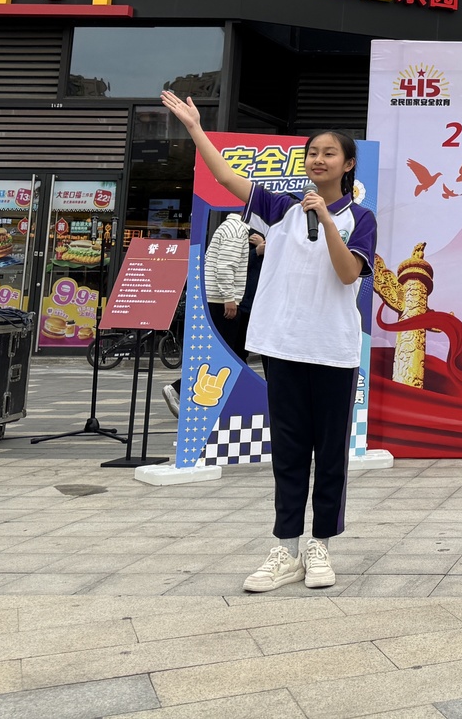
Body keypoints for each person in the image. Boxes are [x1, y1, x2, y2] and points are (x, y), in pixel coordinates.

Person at [161, 90, 376, 592]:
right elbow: (224, 177)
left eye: (329, 153)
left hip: (333, 350)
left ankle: (321, 544)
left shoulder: (359, 218)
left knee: (330, 452)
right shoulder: (279, 207)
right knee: (289, 450)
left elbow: (348, 274)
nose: (318, 159)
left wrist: (326, 220)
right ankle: (285, 547)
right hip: (282, 346)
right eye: (312, 152)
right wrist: (196, 129)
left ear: (347, 165)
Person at [163, 211, 255, 419]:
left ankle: (234, 401)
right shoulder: (236, 230)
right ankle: (178, 389)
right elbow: (225, 267)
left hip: (217, 298)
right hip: (221, 301)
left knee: (233, 354)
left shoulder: (228, 228)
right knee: (224, 355)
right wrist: (229, 297)